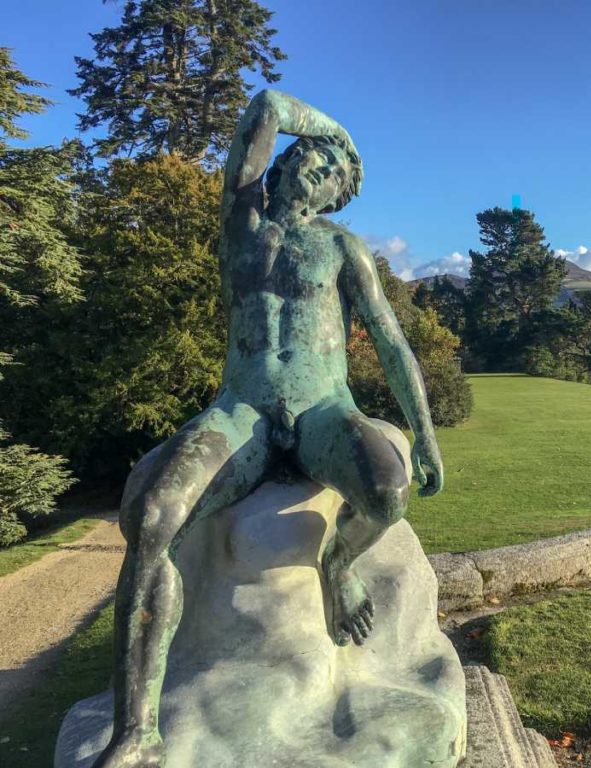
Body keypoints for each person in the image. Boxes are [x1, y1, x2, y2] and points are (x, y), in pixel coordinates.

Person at [93, 89, 443, 768]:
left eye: (331, 174)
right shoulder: (241, 227)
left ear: (339, 196)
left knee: (388, 492)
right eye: (309, 160)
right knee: (156, 516)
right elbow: (265, 108)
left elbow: (393, 343)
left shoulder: (342, 248)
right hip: (243, 413)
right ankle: (136, 731)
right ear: (284, 164)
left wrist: (423, 433)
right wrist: (338, 132)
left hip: (323, 412)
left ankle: (337, 563)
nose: (315, 173)